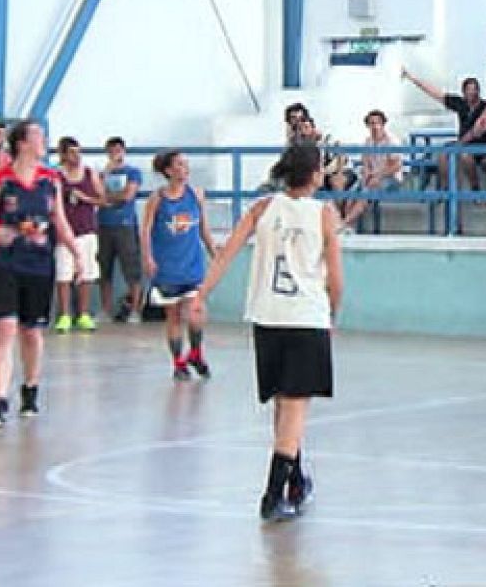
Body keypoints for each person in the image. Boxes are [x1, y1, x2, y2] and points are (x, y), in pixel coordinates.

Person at [195, 144, 342, 523]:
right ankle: (272, 494)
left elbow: (226, 253)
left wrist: (202, 294)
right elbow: (336, 278)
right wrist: (332, 311)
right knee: (294, 407)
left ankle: (296, 480)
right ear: (315, 174)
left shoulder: (261, 208)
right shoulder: (325, 214)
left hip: (267, 316)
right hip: (305, 316)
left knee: (283, 403)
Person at [0, 120, 85, 428]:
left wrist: (77, 254)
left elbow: (59, 220)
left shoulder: (51, 180)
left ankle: (30, 388)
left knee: (31, 332)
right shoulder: (0, 179)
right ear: (22, 143)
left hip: (39, 263)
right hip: (3, 261)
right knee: (4, 328)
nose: (44, 141)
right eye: (38, 136)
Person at [141, 150, 216, 381]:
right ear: (168, 171)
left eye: (186, 164)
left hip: (192, 264)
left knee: (196, 311)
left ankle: (196, 352)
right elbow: (145, 230)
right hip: (167, 266)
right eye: (180, 165)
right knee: (173, 316)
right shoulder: (157, 199)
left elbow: (203, 227)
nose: (185, 169)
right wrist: (148, 257)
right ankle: (178, 362)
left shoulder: (196, 195)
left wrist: (214, 251)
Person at [401, 69, 486, 193]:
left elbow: (480, 128)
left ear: (479, 90)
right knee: (443, 153)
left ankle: (475, 187)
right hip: (463, 144)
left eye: (474, 89)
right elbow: (435, 93)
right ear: (464, 92)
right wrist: (412, 78)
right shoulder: (460, 104)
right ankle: (446, 187)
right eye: (469, 90)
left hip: (481, 146)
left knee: (465, 155)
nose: (472, 92)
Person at [52, 137, 103, 333]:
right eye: (72, 152)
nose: (77, 156)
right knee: (64, 273)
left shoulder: (90, 174)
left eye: (79, 152)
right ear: (63, 154)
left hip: (86, 229)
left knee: (87, 274)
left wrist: (85, 198)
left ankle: (83, 314)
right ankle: (64, 315)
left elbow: (102, 199)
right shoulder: (56, 176)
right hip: (64, 232)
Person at [97, 137, 145, 324]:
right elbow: (97, 193)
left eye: (118, 149)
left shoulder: (133, 172)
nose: (115, 153)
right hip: (104, 224)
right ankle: (105, 310)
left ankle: (135, 310)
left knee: (132, 269)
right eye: (111, 150)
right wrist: (105, 175)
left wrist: (108, 197)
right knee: (104, 269)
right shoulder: (102, 174)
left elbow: (128, 195)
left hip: (125, 225)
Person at [343, 111, 408, 234]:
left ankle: (343, 223)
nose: (375, 126)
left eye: (377, 123)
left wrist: (378, 176)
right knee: (352, 192)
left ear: (383, 124)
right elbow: (366, 163)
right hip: (373, 177)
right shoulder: (368, 141)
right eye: (371, 123)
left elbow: (396, 165)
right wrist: (366, 177)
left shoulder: (392, 141)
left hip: (391, 178)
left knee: (366, 193)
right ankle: (349, 227)